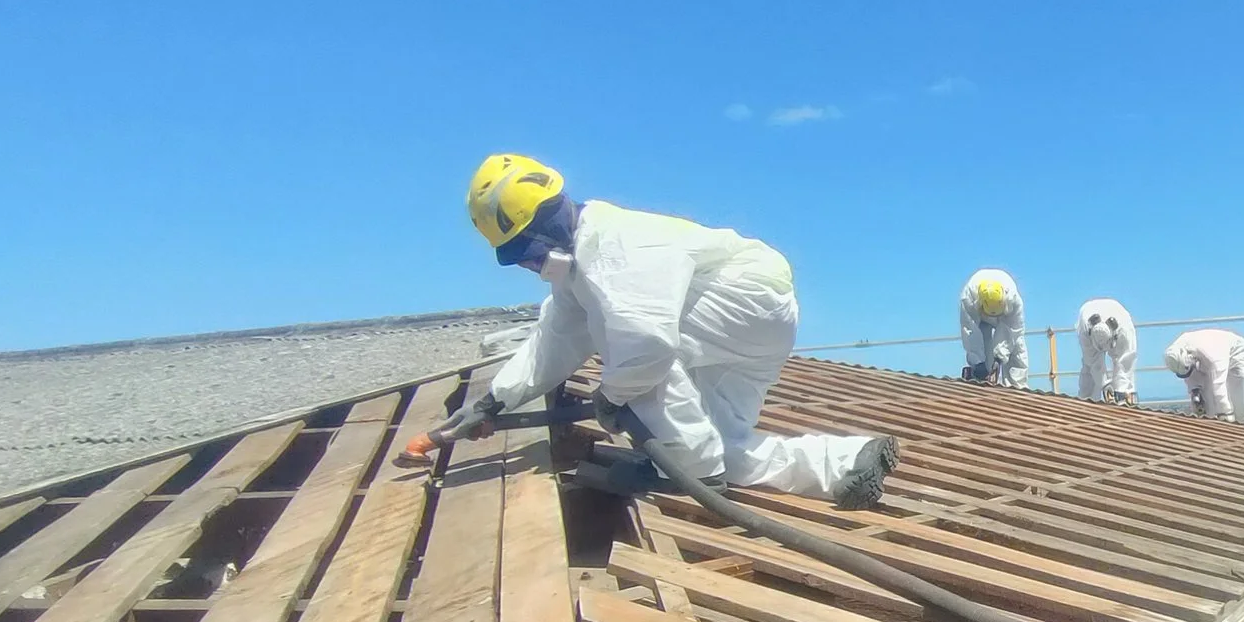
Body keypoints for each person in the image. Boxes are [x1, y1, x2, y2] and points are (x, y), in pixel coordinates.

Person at [435, 155, 900, 507]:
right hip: (752, 328)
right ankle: (847, 464)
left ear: (543, 230)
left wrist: (612, 395)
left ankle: (693, 471)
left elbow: (648, 345)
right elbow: (556, 335)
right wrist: (494, 400)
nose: (530, 267)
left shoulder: (614, 251)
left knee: (632, 350)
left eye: (527, 253)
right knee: (724, 448)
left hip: (744, 304)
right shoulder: (584, 261)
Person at [1163, 328, 1244, 422]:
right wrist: (1195, 392)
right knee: (1208, 394)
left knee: (1239, 381)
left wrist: (1225, 414)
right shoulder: (1174, 352)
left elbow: (1218, 385)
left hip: (1233, 348)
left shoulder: (1213, 355)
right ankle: (1211, 417)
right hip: (1200, 353)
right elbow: (1190, 373)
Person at [957, 269, 1028, 387]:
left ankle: (1017, 387)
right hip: (981, 316)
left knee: (1016, 346)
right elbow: (970, 329)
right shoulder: (968, 298)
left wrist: (999, 357)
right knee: (984, 353)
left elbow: (1012, 330)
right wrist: (978, 361)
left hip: (1006, 317)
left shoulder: (1013, 299)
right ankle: (981, 381)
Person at [1074, 298, 1139, 404]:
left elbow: (1124, 364)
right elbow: (1094, 363)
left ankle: (1126, 404)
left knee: (1126, 373)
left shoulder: (1124, 331)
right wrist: (1105, 385)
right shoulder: (1084, 329)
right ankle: (1086, 404)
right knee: (1089, 369)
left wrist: (1120, 393)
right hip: (1089, 314)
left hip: (1119, 315)